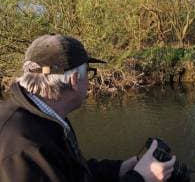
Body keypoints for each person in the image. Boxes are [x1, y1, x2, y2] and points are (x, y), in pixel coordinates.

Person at [0, 34, 176, 182]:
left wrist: (123, 168)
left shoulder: (42, 117)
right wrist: (141, 178)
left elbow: (72, 171)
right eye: (89, 72)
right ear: (75, 80)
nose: (90, 82)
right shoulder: (23, 150)